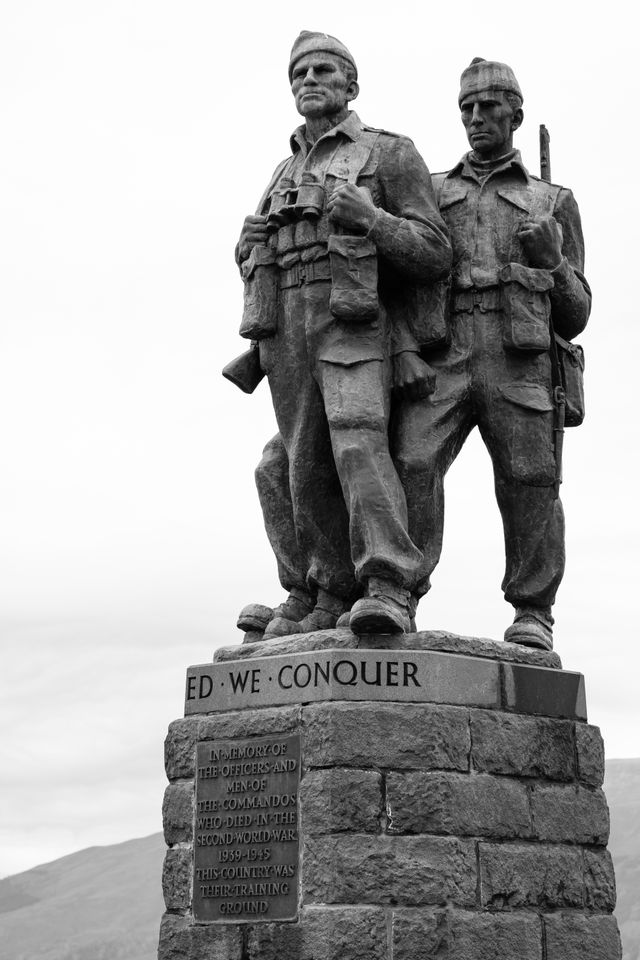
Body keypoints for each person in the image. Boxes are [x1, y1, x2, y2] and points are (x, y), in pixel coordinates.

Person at [232, 31, 450, 639]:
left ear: (351, 85)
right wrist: (246, 247)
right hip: (286, 331)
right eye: (299, 73)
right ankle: (321, 590)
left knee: (356, 441)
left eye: (323, 70)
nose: (309, 80)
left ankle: (387, 582)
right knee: (295, 462)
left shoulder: (389, 153)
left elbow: (435, 252)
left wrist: (372, 220)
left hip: (352, 321)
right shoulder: (283, 170)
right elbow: (258, 252)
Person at [393, 58, 591, 650]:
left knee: (531, 481)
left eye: (489, 107)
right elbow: (399, 282)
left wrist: (553, 261)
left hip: (519, 357)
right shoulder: (430, 190)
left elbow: (577, 313)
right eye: (467, 109)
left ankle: (533, 610)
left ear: (516, 114)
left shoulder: (552, 200)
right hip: (444, 350)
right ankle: (397, 591)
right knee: (411, 461)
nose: (476, 118)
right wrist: (405, 347)